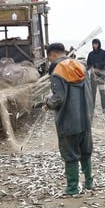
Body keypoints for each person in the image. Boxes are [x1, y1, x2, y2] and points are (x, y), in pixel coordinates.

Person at [43, 43, 94, 195]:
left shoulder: (57, 71)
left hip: (68, 121)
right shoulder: (81, 66)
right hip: (85, 119)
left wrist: (48, 103)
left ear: (52, 54)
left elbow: (58, 98)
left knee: (71, 155)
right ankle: (89, 183)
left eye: (49, 58)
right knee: (85, 152)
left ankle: (72, 188)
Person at [86, 38, 105, 112]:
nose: (95, 45)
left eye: (96, 44)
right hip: (93, 74)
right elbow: (88, 64)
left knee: (101, 91)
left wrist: (98, 65)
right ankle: (92, 108)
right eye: (93, 44)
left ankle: (104, 108)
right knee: (92, 92)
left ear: (99, 44)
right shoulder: (90, 54)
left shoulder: (104, 52)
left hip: (101, 73)